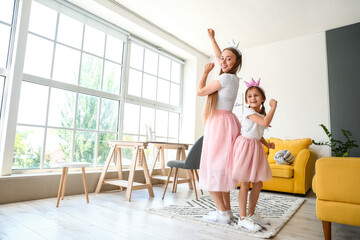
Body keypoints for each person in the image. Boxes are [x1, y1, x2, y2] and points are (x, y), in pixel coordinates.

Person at [197, 28, 242, 224]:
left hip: (219, 124)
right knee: (221, 169)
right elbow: (219, 57)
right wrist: (212, 39)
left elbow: (200, 91)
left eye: (228, 59)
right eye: (222, 58)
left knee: (211, 168)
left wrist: (205, 72)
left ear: (236, 63)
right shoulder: (233, 78)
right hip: (227, 122)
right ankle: (227, 212)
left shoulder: (223, 78)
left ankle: (222, 213)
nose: (223, 61)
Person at [232, 78, 277, 231]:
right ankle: (242, 217)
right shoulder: (249, 111)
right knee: (245, 183)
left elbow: (258, 132)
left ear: (262, 99)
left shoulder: (259, 113)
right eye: (250, 96)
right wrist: (274, 106)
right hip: (246, 147)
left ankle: (251, 213)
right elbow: (264, 123)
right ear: (246, 100)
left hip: (255, 147)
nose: (252, 98)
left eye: (256, 95)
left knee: (258, 183)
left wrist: (266, 144)